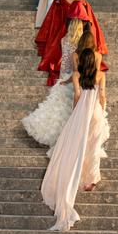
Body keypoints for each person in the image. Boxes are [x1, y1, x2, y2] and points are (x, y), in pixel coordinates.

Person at [41, 48, 109, 231]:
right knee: (93, 146)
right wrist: (101, 112)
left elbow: (78, 96)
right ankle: (90, 180)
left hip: (82, 112)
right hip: (95, 112)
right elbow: (102, 96)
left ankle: (80, 177)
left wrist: (75, 114)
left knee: (78, 145)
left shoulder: (78, 75)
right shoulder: (101, 74)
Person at [22, 25, 101, 155]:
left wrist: (67, 81)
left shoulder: (75, 54)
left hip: (76, 81)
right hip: (90, 84)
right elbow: (96, 73)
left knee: (61, 108)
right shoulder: (97, 55)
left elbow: (75, 72)